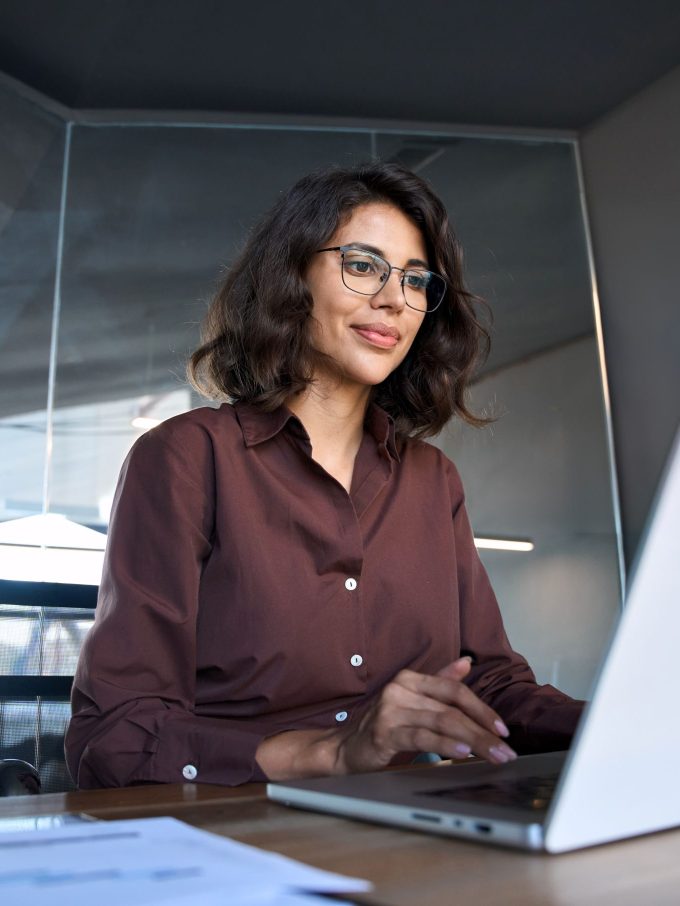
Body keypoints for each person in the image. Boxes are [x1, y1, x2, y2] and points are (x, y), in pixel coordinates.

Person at [65, 161, 583, 789]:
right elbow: (114, 735)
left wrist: (620, 722)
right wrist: (328, 753)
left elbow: (491, 685)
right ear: (291, 278)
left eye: (417, 280)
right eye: (363, 265)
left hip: (415, 824)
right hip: (241, 827)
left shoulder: (433, 480)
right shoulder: (185, 459)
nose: (395, 299)